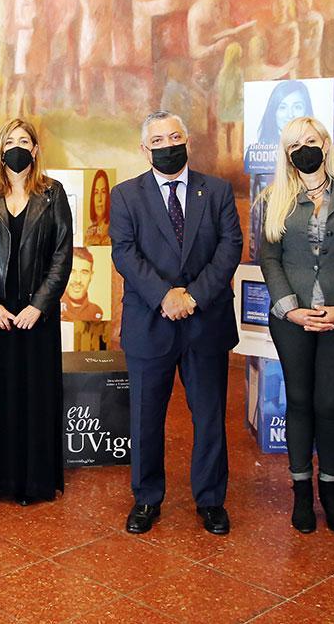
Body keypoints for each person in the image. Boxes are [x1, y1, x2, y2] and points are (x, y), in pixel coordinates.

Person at [111, 111, 242, 536]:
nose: (168, 144)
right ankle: (146, 499)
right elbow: (124, 252)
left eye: (175, 136)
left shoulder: (217, 190)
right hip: (151, 321)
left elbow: (230, 246)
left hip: (206, 321)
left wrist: (193, 296)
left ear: (187, 140)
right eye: (158, 139)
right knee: (146, 417)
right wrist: (165, 296)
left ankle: (210, 500)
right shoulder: (126, 195)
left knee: (209, 416)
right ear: (143, 149)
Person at [258, 115, 334, 535]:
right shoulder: (274, 197)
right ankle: (301, 491)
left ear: (325, 144)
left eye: (310, 140)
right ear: (287, 155)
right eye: (294, 145)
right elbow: (268, 259)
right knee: (300, 402)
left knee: (330, 403)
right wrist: (290, 308)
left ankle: (331, 490)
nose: (303, 149)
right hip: (292, 318)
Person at [0, 118, 73, 505]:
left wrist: (38, 305)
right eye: (10, 141)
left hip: (36, 318)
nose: (17, 148)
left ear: (36, 150)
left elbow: (62, 257)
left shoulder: (53, 194)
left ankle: (34, 484)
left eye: (24, 141)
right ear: (0, 149)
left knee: (36, 397)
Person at [244, 79, 312, 173]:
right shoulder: (256, 154)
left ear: (306, 111)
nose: (290, 114)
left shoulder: (315, 151)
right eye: (282, 107)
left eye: (297, 107)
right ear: (273, 112)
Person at [61, 248, 104, 321]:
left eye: (84, 272)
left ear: (91, 276)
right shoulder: (52, 308)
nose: (78, 280)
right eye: (72, 271)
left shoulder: (96, 312)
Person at [85, 169, 111, 245]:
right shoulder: (89, 232)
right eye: (96, 193)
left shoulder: (113, 231)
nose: (99, 199)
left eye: (103, 192)